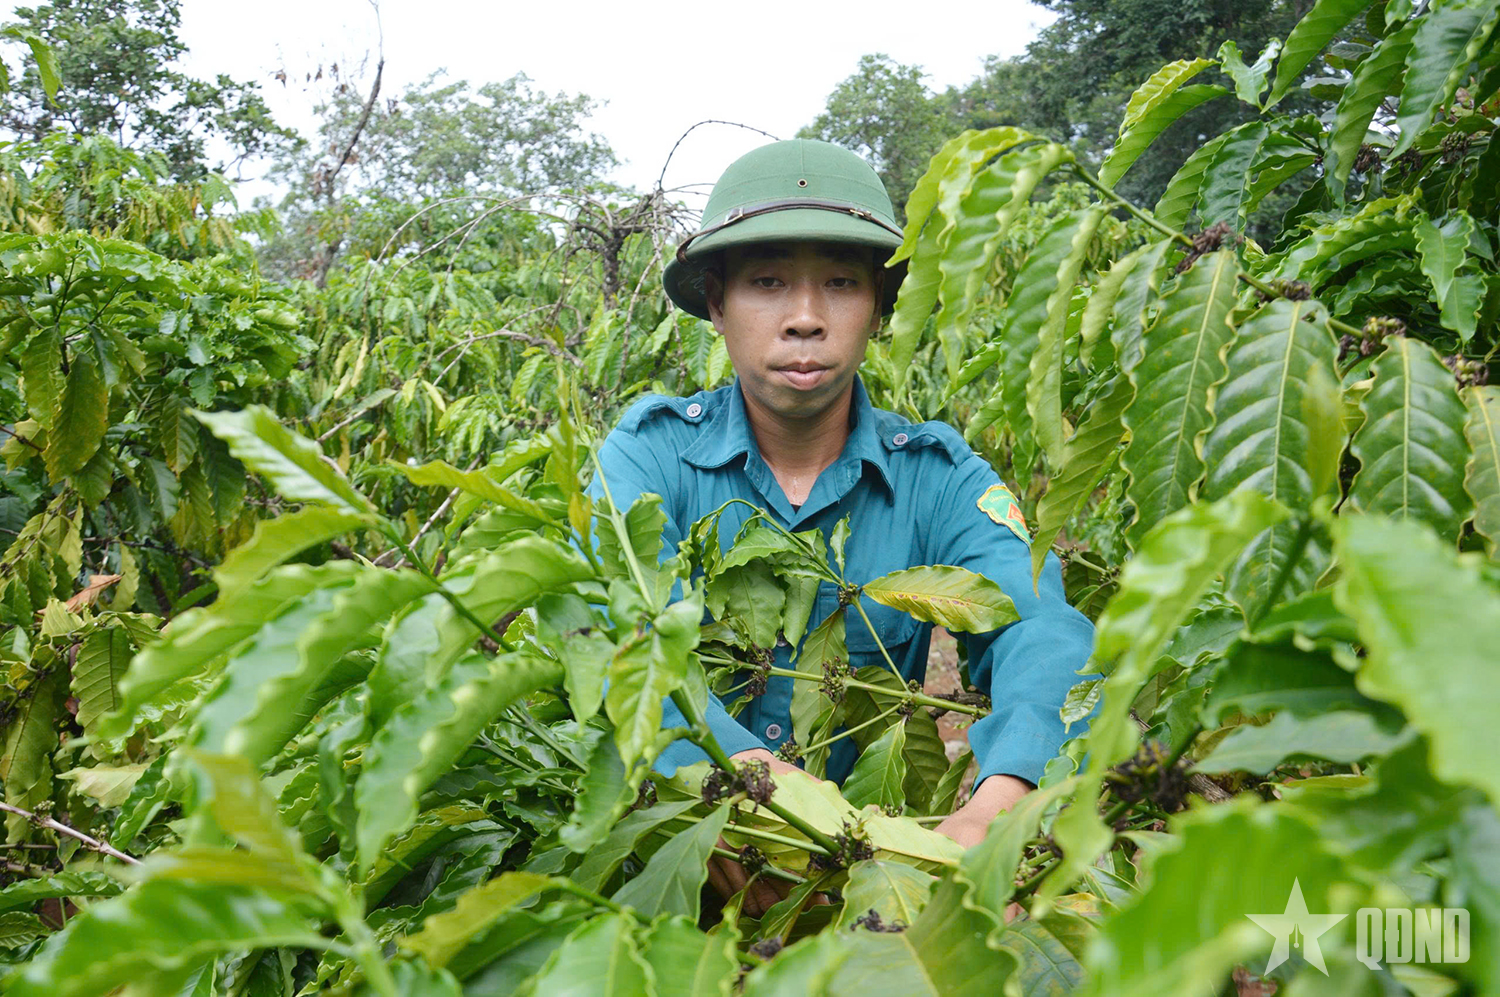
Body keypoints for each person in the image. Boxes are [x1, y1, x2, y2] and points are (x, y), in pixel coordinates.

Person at [591, 139, 1094, 912]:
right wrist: (737, 773)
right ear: (717, 305)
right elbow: (619, 639)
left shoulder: (936, 475)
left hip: (873, 889)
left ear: (879, 308)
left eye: (839, 283)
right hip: (682, 882)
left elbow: (1040, 629)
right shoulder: (649, 458)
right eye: (767, 283)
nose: (803, 319)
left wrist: (1002, 799)